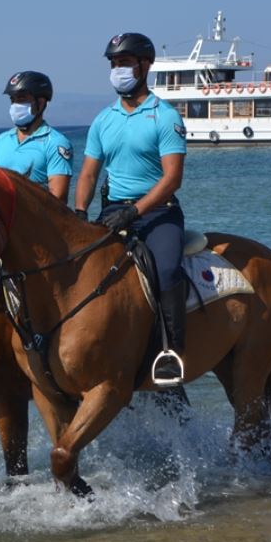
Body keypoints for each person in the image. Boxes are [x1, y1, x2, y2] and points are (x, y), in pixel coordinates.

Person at [74, 33, 188, 385]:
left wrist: (136, 211)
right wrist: (79, 212)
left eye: (124, 63)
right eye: (113, 64)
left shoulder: (165, 117)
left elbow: (172, 179)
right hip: (112, 212)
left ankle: (170, 353)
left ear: (145, 66)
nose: (117, 70)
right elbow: (90, 173)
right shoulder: (103, 120)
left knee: (166, 271)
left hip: (158, 213)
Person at [0, 70, 73, 201]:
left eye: (21, 99)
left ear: (41, 103)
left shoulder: (56, 143)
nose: (15, 106)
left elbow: (57, 198)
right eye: (12, 100)